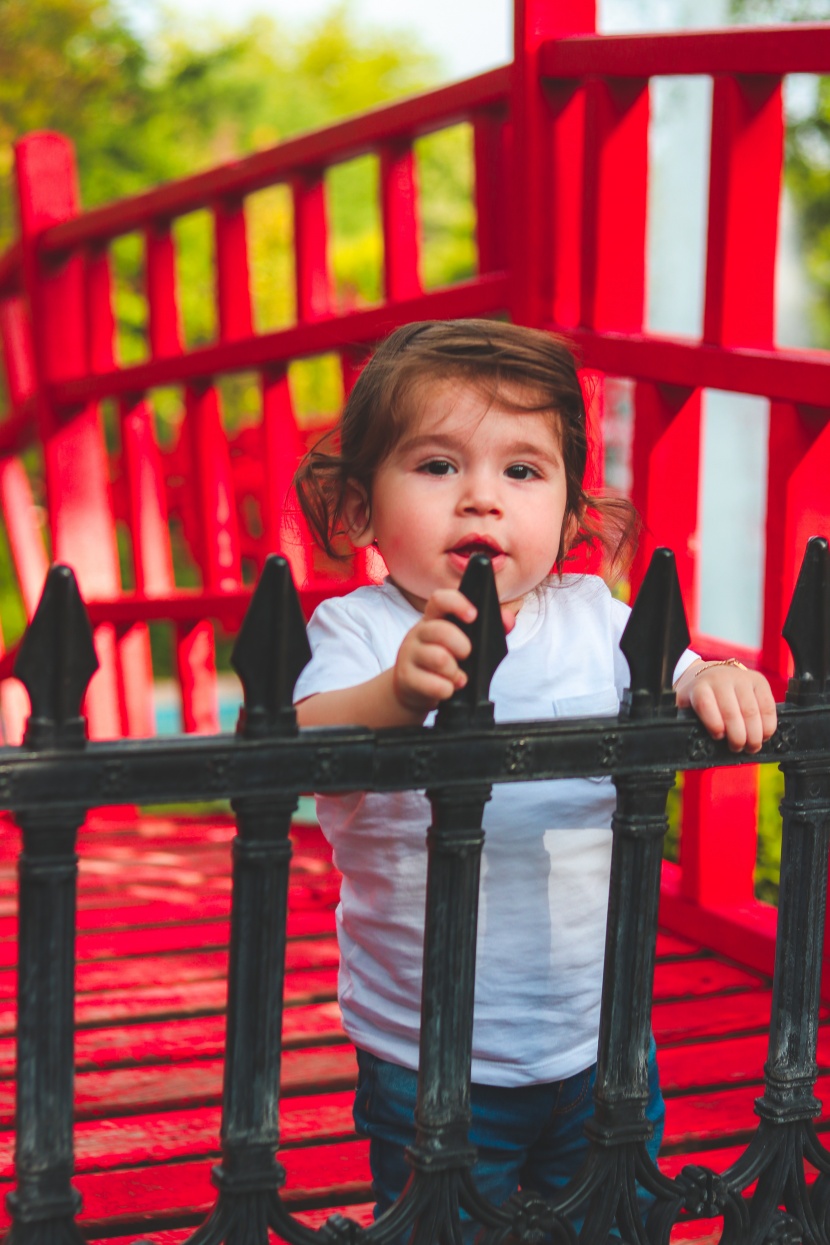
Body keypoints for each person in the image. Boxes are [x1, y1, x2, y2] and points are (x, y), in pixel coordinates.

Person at [291, 319, 777, 1231]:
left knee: (621, 1221)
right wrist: (398, 692)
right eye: (438, 466)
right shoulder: (358, 630)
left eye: (522, 470)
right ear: (358, 506)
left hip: (602, 1041)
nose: (482, 499)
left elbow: (673, 678)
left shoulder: (595, 615)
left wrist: (715, 675)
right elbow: (301, 735)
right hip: (428, 1057)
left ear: (569, 510)